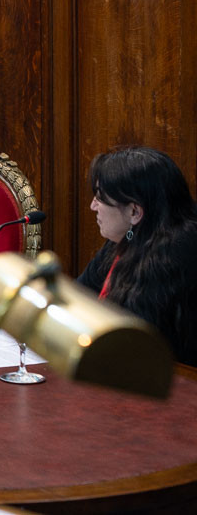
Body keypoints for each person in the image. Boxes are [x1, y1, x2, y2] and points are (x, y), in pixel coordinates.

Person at [78, 146, 197, 366]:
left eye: (100, 199)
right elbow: (79, 298)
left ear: (134, 212)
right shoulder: (128, 236)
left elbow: (134, 343)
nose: (92, 206)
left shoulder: (177, 253)